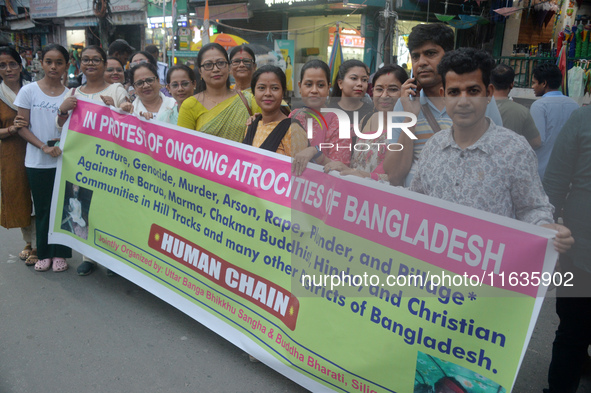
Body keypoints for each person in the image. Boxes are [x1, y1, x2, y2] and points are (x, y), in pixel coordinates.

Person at [409, 48, 573, 254]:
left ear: (489, 94)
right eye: (454, 92)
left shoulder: (514, 150)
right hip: (436, 272)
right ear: (444, 96)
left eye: (473, 91)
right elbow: (417, 203)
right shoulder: (433, 147)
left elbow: (532, 208)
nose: (463, 100)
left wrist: (546, 229)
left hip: (490, 277)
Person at [383, 23, 503, 187]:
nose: (421, 62)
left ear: (448, 56)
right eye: (415, 56)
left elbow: (496, 159)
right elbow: (394, 175)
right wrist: (410, 118)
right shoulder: (404, 104)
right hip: (418, 206)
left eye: (430, 53)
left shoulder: (478, 100)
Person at [543, 105, 591, 393]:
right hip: (580, 250)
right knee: (573, 332)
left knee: (572, 333)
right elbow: (554, 185)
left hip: (580, 250)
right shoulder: (583, 118)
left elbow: (555, 183)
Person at [14, 43, 72, 272]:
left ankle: (61, 254)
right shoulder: (28, 91)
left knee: (63, 208)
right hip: (37, 161)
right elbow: (21, 126)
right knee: (43, 208)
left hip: (64, 161)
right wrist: (43, 147)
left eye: (59, 62)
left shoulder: (72, 95)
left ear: (66, 65)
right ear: (41, 63)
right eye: (49, 61)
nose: (53, 66)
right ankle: (44, 253)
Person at [327, 64, 408, 181]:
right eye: (379, 89)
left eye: (393, 89)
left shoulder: (407, 126)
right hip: (354, 192)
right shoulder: (366, 120)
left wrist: (362, 175)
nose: (384, 95)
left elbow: (398, 177)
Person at [0, 46, 37, 266]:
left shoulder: (32, 90)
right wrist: (12, 130)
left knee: (38, 197)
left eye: (12, 64)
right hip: (12, 153)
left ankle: (40, 243)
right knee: (20, 196)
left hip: (36, 149)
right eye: (2, 65)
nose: (8, 69)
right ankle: (29, 242)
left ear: (20, 66)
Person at [177, 43, 255, 142]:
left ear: (228, 67)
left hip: (243, 158)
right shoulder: (190, 105)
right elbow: (182, 146)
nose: (215, 69)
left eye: (221, 63)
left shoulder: (248, 99)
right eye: (208, 65)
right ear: (200, 71)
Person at [291, 60, 345, 175]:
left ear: (328, 88)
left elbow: (341, 170)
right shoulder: (294, 115)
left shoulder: (337, 122)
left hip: (320, 189)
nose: (314, 90)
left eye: (320, 85)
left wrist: (315, 152)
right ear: (300, 87)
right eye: (308, 84)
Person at [243, 65, 307, 156]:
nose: (268, 93)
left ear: (283, 92)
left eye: (275, 88)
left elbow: (299, 169)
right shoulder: (252, 125)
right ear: (254, 92)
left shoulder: (293, 130)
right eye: (261, 88)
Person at [530, 62, 579, 179]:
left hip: (542, 170)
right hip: (568, 171)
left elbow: (537, 140)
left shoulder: (539, 106)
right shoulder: (574, 105)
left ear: (544, 83)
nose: (532, 87)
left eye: (534, 83)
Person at [490, 63, 541, 149]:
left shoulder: (477, 108)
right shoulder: (522, 111)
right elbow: (536, 143)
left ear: (490, 84)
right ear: (512, 84)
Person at [329, 59, 374, 127]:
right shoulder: (327, 112)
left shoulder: (372, 113)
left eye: (364, 80)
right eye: (354, 78)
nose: (360, 84)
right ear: (340, 83)